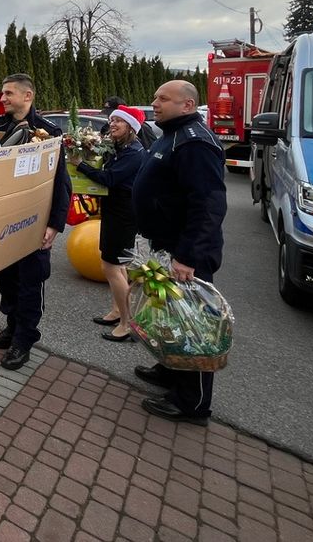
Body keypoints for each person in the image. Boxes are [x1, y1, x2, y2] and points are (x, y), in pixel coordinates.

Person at [132, 80, 227, 424]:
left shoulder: (195, 143)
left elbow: (208, 205)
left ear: (187, 105)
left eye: (163, 98)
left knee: (194, 326)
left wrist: (188, 255)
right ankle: (171, 369)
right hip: (165, 249)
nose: (154, 102)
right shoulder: (171, 135)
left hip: (185, 254)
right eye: (155, 96)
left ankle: (193, 403)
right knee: (170, 317)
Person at [0, 73, 73, 370]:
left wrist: (55, 224)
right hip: (3, 224)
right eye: (3, 93)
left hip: (35, 224)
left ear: (28, 96)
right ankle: (11, 327)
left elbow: (61, 183)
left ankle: (24, 340)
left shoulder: (48, 133)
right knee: (6, 280)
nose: (4, 98)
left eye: (9, 93)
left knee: (30, 284)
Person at [76, 105, 146, 341]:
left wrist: (80, 165)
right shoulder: (120, 148)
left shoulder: (134, 153)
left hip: (124, 214)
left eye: (119, 121)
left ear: (131, 128)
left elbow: (110, 178)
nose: (113, 124)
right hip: (114, 211)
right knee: (118, 267)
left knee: (111, 267)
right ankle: (118, 311)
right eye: (112, 120)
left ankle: (127, 324)